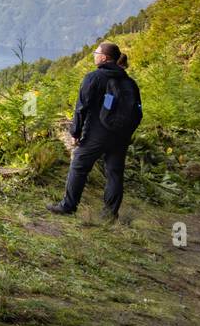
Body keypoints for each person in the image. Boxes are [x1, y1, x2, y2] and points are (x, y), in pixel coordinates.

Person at [49, 41, 140, 220]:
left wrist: (75, 132)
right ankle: (110, 214)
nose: (94, 55)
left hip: (97, 134)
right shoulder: (129, 82)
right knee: (114, 173)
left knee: (79, 166)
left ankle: (68, 206)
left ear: (104, 57)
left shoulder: (94, 77)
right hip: (121, 136)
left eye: (96, 52)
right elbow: (136, 111)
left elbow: (81, 107)